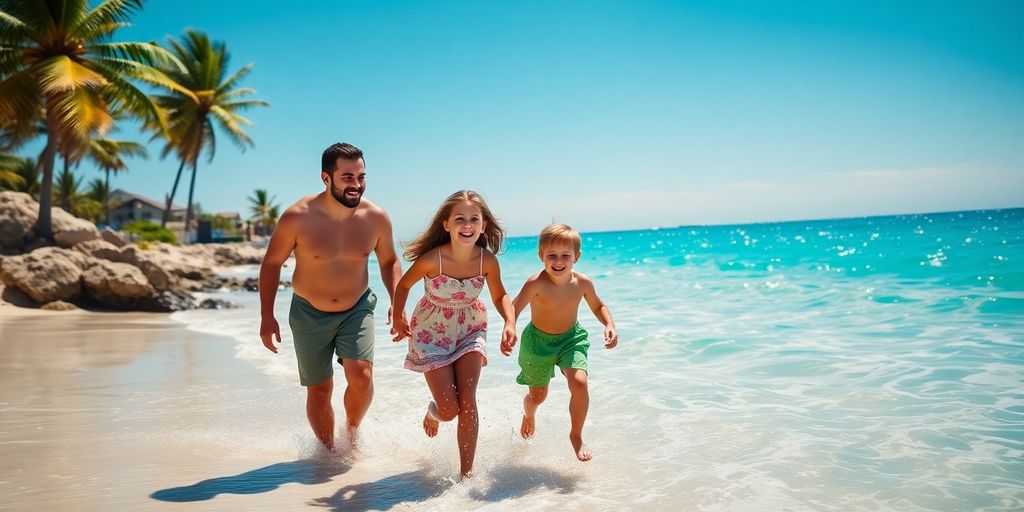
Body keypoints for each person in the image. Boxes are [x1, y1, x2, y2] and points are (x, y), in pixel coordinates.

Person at [259, 142, 402, 451]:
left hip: (357, 307)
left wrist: (397, 302)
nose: (356, 185)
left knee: (362, 376)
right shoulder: (297, 217)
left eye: (361, 177)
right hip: (308, 312)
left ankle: (351, 434)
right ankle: (328, 454)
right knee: (320, 389)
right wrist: (266, 316)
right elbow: (271, 264)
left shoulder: (376, 218)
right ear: (326, 178)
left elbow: (389, 261)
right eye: (347, 177)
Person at [391, 190, 517, 478]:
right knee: (450, 409)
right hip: (431, 331)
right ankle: (434, 413)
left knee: (468, 399)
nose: (467, 225)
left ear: (483, 226)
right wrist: (398, 316)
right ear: (446, 224)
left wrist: (509, 322)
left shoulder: (487, 261)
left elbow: (500, 296)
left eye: (474, 219)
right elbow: (404, 285)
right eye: (460, 219)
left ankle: (466, 476)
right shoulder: (432, 259)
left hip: (471, 327)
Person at [501, 223, 618, 462]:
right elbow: (515, 307)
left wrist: (609, 324)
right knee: (537, 397)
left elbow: (598, 306)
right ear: (541, 256)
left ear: (577, 256)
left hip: (570, 340)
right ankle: (529, 415)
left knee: (580, 384)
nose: (558, 261)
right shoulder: (535, 283)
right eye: (552, 255)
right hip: (537, 344)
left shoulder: (583, 283)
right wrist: (509, 326)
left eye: (565, 255)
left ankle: (576, 435)